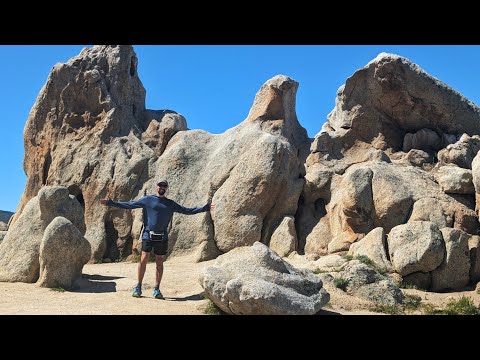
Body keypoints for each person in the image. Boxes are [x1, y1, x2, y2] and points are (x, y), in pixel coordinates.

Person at [100, 180, 214, 299]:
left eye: (164, 186)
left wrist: (204, 208)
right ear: (156, 187)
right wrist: (110, 202)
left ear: (166, 188)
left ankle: (156, 289)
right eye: (160, 185)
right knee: (144, 258)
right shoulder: (147, 200)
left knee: (159, 261)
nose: (162, 187)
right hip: (148, 235)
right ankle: (138, 287)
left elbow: (187, 210)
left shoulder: (170, 204)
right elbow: (129, 205)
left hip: (162, 236)